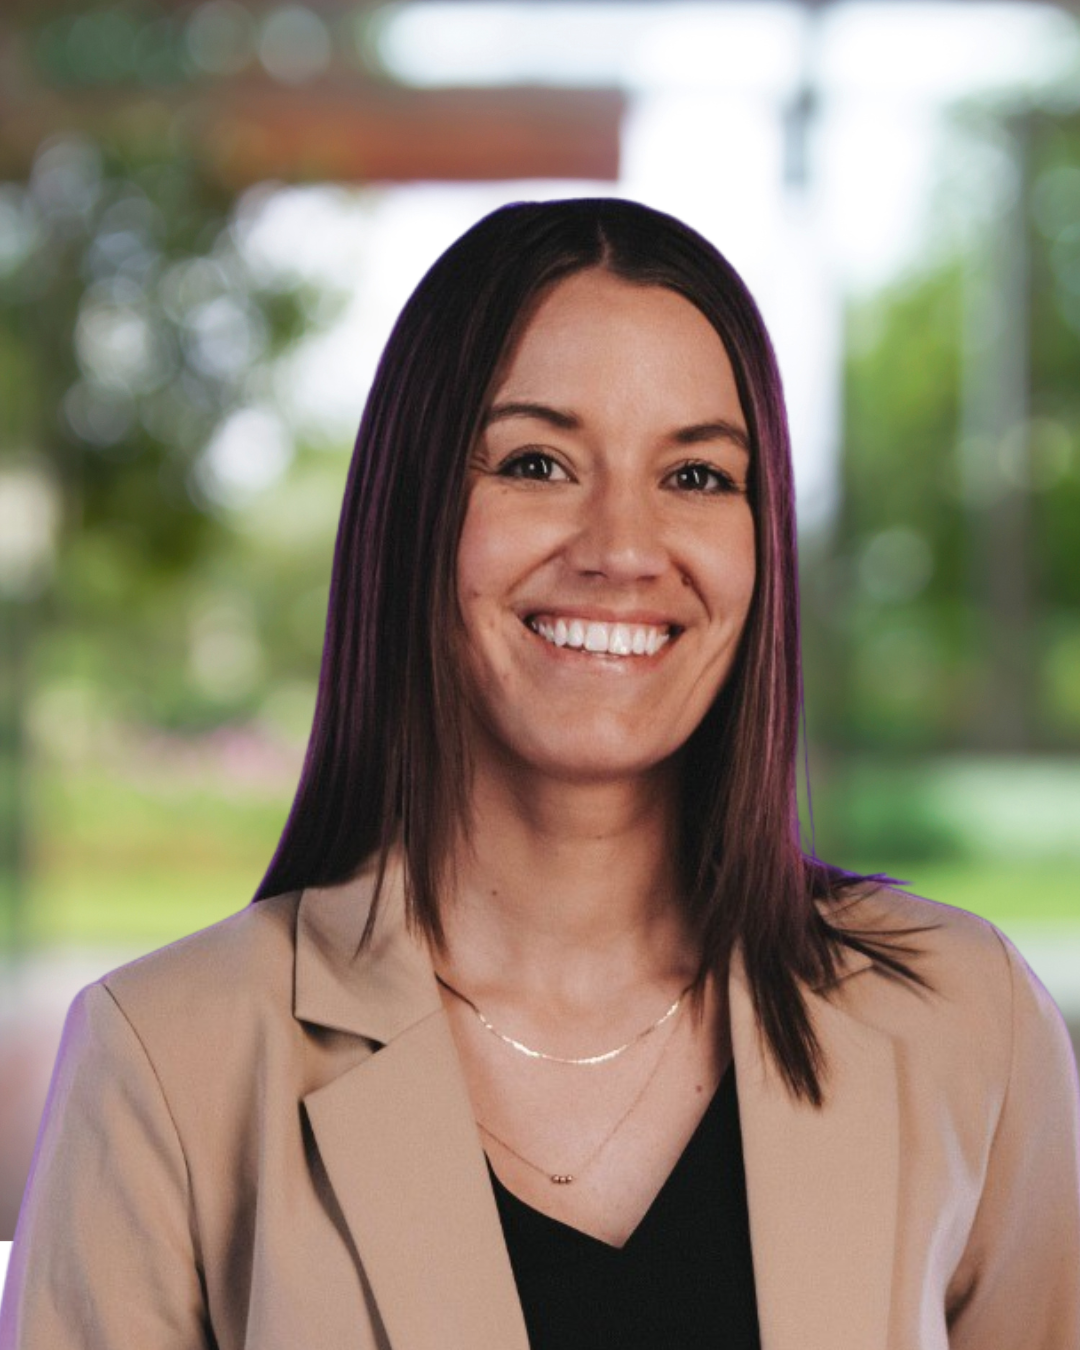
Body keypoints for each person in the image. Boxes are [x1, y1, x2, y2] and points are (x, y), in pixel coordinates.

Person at [1, 197, 1078, 1350]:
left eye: (700, 476)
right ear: (416, 512)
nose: (622, 546)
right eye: (537, 462)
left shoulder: (970, 1024)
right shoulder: (171, 1059)